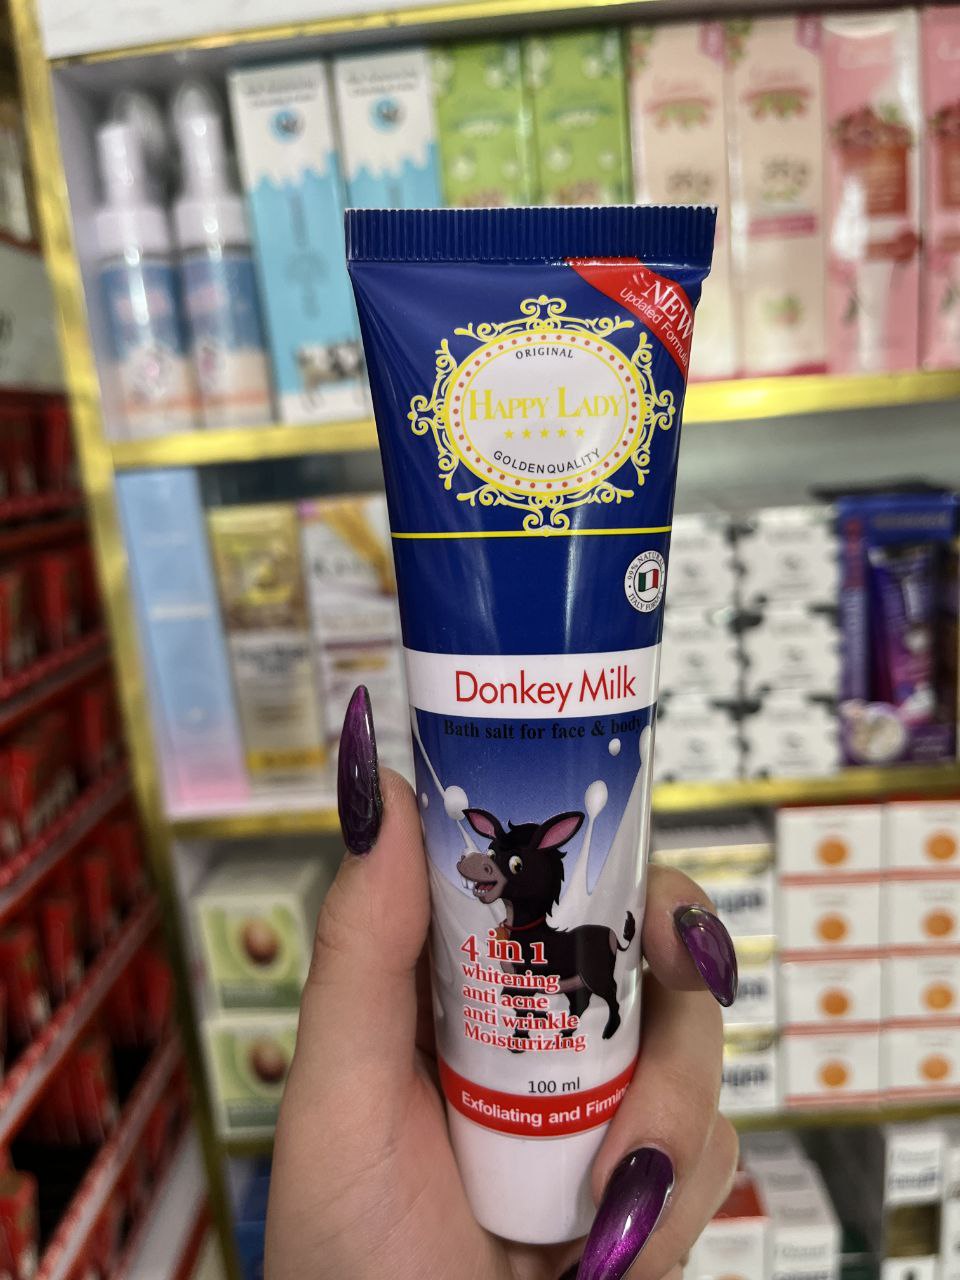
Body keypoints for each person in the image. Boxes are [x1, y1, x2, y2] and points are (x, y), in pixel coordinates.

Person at [266, 688, 739, 1280]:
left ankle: (596, 1015)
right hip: (458, 1147)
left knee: (613, 985)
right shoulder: (496, 928)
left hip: (585, 1138)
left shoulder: (547, 905)